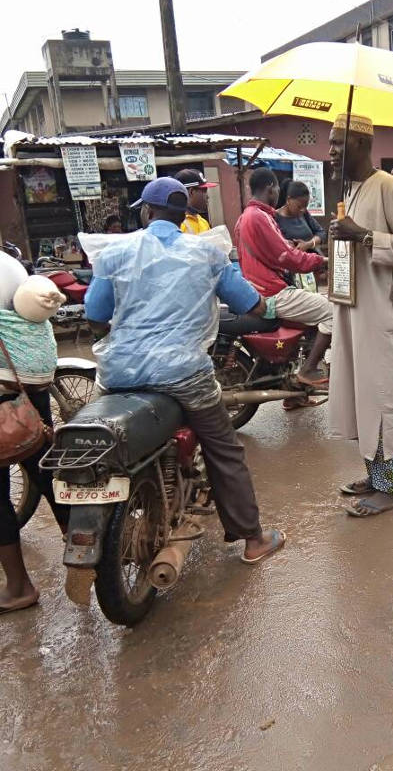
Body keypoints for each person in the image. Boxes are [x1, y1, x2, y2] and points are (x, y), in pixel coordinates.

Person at [84, 177, 284, 563]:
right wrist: (269, 308)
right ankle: (254, 539)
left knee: (105, 444)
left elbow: (95, 315)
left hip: (119, 374)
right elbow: (249, 305)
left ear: (146, 211)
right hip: (185, 376)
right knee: (224, 450)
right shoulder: (208, 253)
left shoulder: (114, 252)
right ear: (185, 214)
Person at [328, 114, 393, 517]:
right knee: (359, 397)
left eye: (338, 144)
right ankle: (375, 475)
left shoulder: (387, 185)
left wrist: (364, 235)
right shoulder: (350, 190)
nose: (331, 151)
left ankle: (392, 489)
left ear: (361, 145)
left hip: (382, 314)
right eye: (331, 143)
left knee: (380, 398)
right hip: (354, 310)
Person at [235, 167, 332, 387]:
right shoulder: (260, 217)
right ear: (271, 187)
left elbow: (272, 253)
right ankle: (308, 369)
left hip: (261, 287)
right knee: (333, 311)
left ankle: (295, 389)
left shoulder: (246, 217)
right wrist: (323, 261)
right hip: (272, 291)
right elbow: (287, 257)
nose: (278, 191)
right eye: (278, 187)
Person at [0, 309, 69, 614]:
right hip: (28, 381)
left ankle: (18, 588)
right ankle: (86, 547)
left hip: (5, 385)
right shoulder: (12, 265)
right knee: (44, 468)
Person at [275, 180, 326, 251]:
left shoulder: (304, 214)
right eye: (299, 206)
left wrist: (309, 244)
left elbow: (321, 233)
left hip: (313, 259)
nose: (303, 210)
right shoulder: (275, 218)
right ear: (288, 200)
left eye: (306, 206)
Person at [174, 168, 216, 234]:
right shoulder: (177, 225)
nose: (207, 196)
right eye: (204, 191)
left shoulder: (203, 222)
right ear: (191, 192)